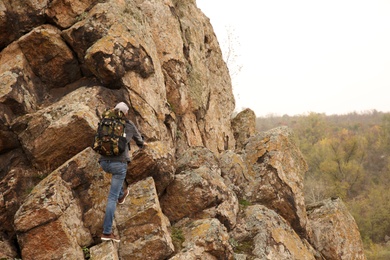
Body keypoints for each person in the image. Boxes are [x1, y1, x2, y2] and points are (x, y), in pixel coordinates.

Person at [99, 102, 146, 242]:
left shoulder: (105, 122)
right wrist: (143, 143)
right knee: (111, 198)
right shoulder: (128, 124)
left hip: (103, 162)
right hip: (118, 165)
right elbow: (139, 142)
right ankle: (107, 233)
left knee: (116, 191)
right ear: (125, 113)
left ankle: (121, 195)